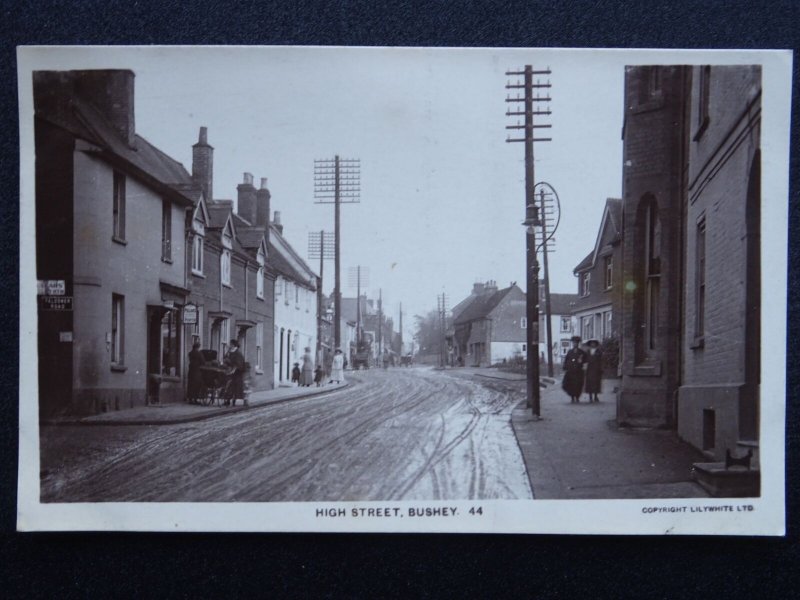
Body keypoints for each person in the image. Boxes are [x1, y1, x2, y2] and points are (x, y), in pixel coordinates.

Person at [562, 335, 586, 403]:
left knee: (578, 384)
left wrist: (582, 364)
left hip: (578, 372)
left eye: (576, 343)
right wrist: (565, 367)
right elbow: (566, 360)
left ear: (578, 344)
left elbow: (585, 361)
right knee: (571, 385)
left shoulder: (581, 352)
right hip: (571, 372)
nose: (575, 344)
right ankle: (572, 397)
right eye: (574, 343)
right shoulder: (570, 352)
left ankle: (577, 397)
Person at [224, 339, 246, 406]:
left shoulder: (238, 353)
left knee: (234, 386)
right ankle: (227, 400)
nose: (229, 345)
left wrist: (233, 369)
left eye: (230, 344)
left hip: (237, 373)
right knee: (227, 385)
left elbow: (239, 363)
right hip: (230, 371)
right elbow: (225, 358)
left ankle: (233, 400)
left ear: (233, 345)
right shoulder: (230, 352)